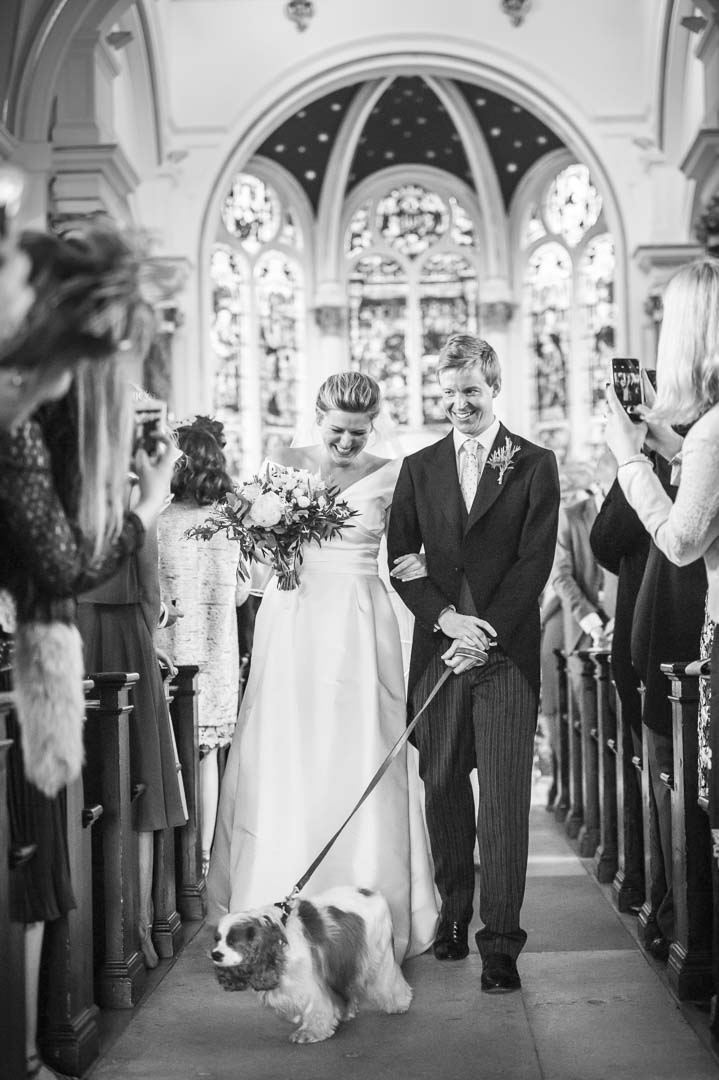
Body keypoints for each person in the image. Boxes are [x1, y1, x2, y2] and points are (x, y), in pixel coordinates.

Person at [0, 225, 178, 1080]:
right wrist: (146, 504)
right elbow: (62, 564)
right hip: (24, 653)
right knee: (29, 868)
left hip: (26, 654)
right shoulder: (18, 416)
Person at [207, 371, 439, 961]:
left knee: (359, 742)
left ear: (373, 424)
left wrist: (442, 605)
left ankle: (364, 893)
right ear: (319, 416)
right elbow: (253, 557)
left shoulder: (394, 471)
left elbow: (411, 551)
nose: (345, 444)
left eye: (358, 434)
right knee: (289, 745)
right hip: (292, 618)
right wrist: (269, 532)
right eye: (337, 431)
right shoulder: (281, 460)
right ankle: (275, 896)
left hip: (362, 619)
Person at [387, 332, 560, 993]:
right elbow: (403, 562)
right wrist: (444, 621)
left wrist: (481, 635)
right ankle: (453, 915)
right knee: (442, 788)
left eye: (471, 391)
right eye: (450, 392)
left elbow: (532, 561)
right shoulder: (419, 466)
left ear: (493, 389)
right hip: (439, 653)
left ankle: (500, 944)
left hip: (503, 655)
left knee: (506, 803)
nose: (459, 402)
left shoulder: (532, 463)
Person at [605, 257, 719, 967]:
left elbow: (681, 539)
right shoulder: (703, 434)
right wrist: (667, 442)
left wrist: (628, 458)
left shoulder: (710, 430)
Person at [157, 420, 238, 877]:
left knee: (171, 758)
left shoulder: (158, 521)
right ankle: (202, 862)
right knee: (205, 758)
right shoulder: (228, 522)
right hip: (215, 657)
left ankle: (172, 864)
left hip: (168, 656)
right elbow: (245, 594)